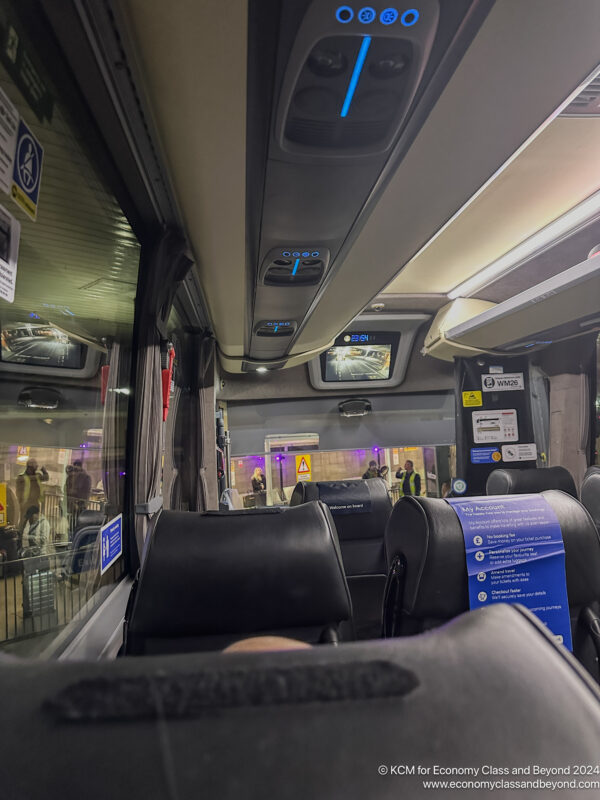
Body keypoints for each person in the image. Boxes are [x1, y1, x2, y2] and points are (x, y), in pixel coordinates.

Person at [16, 459, 49, 525]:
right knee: (23, 521)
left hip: (35, 502)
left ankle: (31, 534)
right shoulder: (22, 477)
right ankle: (21, 534)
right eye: (35, 466)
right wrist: (20, 502)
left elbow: (46, 478)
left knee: (34, 522)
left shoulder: (37, 476)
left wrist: (44, 471)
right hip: (26, 503)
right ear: (30, 467)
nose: (36, 468)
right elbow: (18, 491)